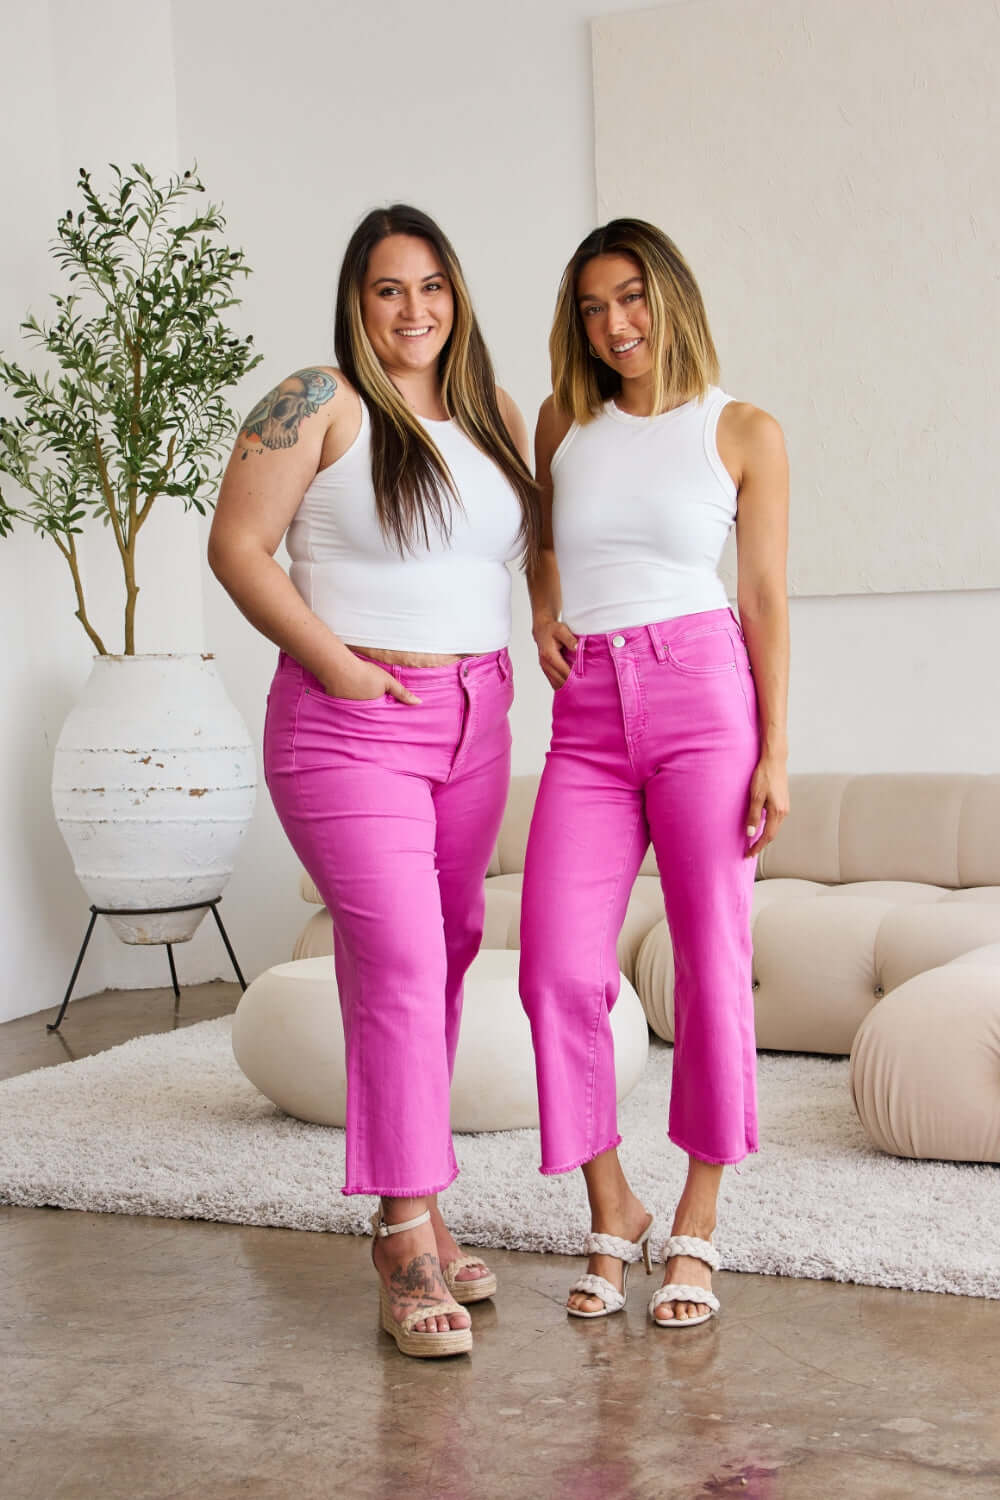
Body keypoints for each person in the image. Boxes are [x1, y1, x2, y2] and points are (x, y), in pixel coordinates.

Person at [208, 205, 537, 1358]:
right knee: (398, 955)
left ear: (458, 295)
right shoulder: (318, 401)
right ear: (357, 299)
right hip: (347, 725)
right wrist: (339, 666)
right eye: (390, 289)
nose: (414, 311)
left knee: (441, 950)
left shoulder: (496, 413)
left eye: (433, 286)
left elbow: (525, 546)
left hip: (476, 720)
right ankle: (402, 1231)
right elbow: (237, 548)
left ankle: (424, 1195)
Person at [519, 218, 789, 1329]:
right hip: (587, 713)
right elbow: (540, 537)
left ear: (668, 295)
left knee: (712, 964)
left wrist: (777, 747)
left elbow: (764, 597)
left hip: (701, 695)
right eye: (592, 307)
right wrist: (543, 610)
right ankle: (612, 1203)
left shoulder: (743, 430)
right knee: (554, 969)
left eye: (630, 298)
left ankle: (699, 1221)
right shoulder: (561, 423)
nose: (614, 325)